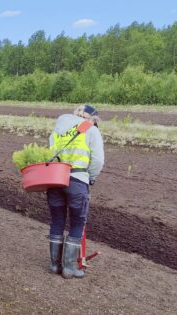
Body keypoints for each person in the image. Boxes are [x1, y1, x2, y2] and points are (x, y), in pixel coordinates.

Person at [47, 104, 104, 279]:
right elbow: (98, 160)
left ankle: (55, 265)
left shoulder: (57, 129)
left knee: (57, 220)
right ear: (92, 118)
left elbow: (50, 152)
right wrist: (91, 177)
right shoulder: (91, 130)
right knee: (77, 222)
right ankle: (70, 268)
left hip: (55, 180)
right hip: (77, 180)